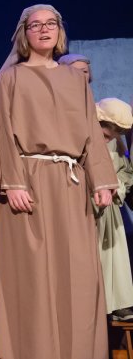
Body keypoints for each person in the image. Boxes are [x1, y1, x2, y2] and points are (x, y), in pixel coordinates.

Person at [0, 4, 118, 359]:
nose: (44, 29)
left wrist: (101, 181)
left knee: (77, 271)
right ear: (24, 33)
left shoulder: (75, 79)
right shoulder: (10, 78)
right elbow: (0, 132)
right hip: (29, 182)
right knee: (33, 274)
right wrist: (12, 183)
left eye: (51, 24)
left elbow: (91, 133)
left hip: (71, 184)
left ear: (60, 31)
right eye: (36, 25)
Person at [93, 98, 133, 321]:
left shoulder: (116, 142)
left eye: (114, 135)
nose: (109, 139)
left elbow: (125, 171)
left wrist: (117, 186)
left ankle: (117, 302)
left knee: (114, 257)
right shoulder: (84, 137)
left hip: (110, 208)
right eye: (106, 134)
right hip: (88, 206)